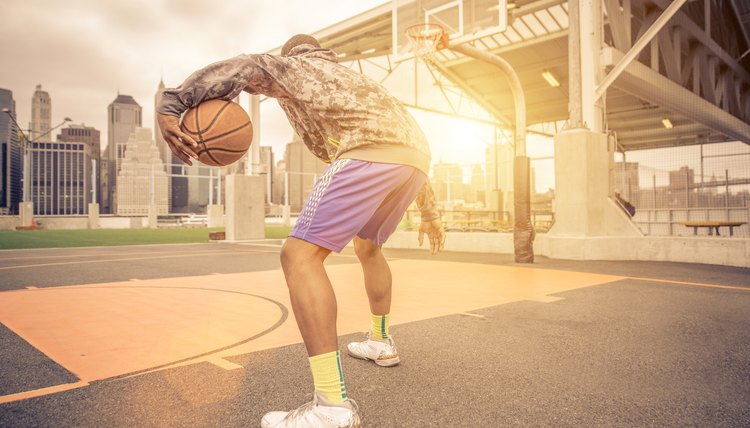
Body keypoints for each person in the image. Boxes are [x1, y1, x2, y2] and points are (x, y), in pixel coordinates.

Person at [157, 34, 445, 428]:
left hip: (369, 152)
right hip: (413, 163)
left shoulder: (303, 67)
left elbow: (248, 66)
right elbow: (404, 138)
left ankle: (331, 406)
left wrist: (173, 103)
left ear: (294, 55)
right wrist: (429, 211)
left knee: (298, 255)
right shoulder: (357, 83)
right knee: (369, 247)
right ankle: (380, 342)